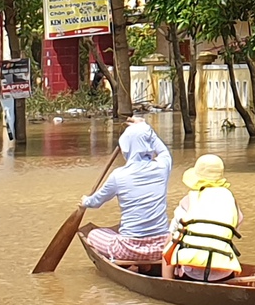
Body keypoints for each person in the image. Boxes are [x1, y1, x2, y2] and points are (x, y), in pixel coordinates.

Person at [81, 118, 172, 268]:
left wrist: (85, 201)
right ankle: (145, 266)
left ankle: (137, 264)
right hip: (161, 248)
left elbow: (96, 202)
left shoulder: (118, 176)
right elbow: (163, 151)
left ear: (126, 148)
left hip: (129, 249)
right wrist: (145, 128)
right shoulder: (162, 167)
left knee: (93, 234)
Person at [163, 153, 243, 282]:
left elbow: (171, 237)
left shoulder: (188, 201)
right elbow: (236, 224)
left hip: (192, 274)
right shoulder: (230, 200)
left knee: (169, 243)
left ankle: (166, 285)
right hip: (224, 274)